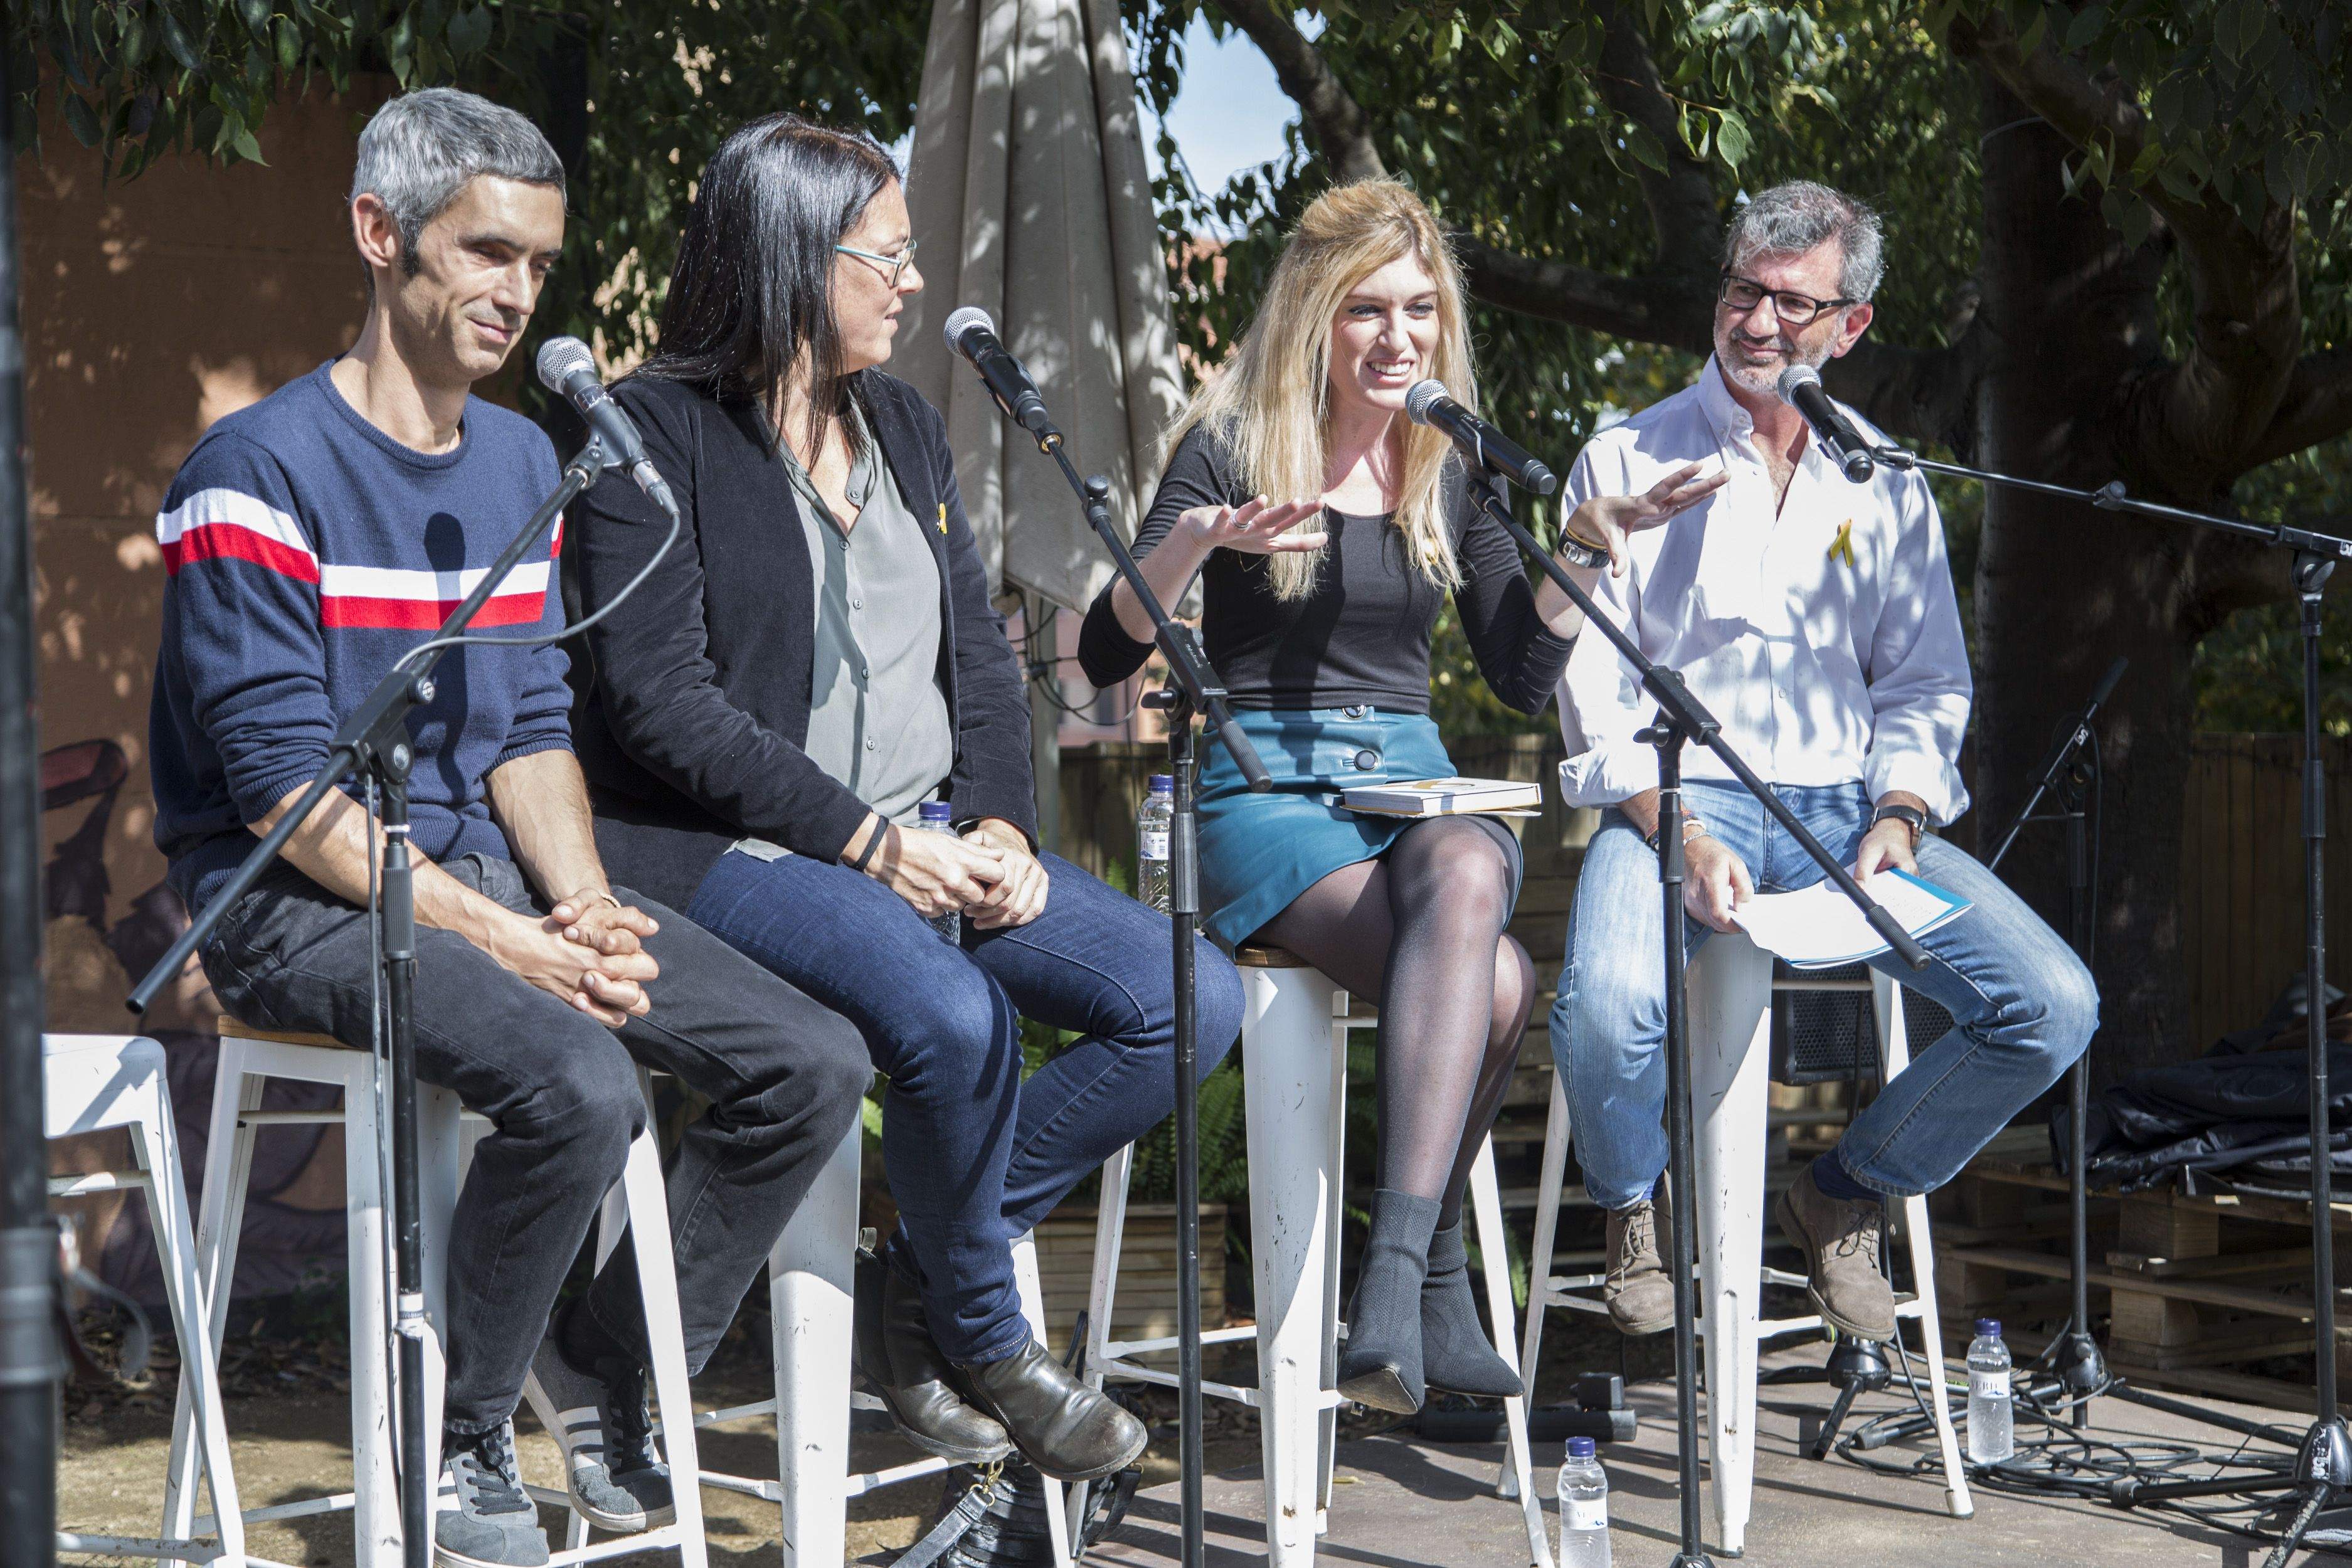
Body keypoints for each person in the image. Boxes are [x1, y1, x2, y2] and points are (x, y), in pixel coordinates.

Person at [147, 90, 873, 1568]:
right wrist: (524, 951)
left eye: (537, 263)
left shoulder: (523, 467)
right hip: (294, 897)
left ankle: (593, 1368)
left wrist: (588, 905)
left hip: (483, 873)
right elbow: (292, 797)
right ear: (378, 233)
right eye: (486, 252)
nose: (517, 292)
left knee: (813, 1061)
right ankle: (458, 1421)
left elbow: (535, 723)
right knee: (579, 1081)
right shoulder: (252, 477)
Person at [563, 114, 1240, 1483]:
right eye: (888, 256)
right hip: (723, 846)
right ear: (795, 256)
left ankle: (925, 1265)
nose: (913, 282)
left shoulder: (908, 425)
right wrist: (871, 843)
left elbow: (980, 656)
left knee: (1189, 998)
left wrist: (998, 822)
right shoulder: (653, 432)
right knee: (946, 1010)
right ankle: (982, 1334)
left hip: (925, 835)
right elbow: (661, 704)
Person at [1077, 178, 1724, 1415]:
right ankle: (1422, 1280)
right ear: (1315, 313)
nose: (1399, 338)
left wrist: (1586, 546)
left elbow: (1522, 672)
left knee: (1474, 867)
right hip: (1263, 779)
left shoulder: (1449, 454)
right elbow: (1110, 654)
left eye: (1420, 311)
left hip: (1410, 771)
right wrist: (1193, 543)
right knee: (1500, 982)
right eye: (1369, 310)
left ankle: (1396, 1282)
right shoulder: (1227, 440)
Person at [1550, 180, 2098, 1343]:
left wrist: (1899, 815)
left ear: (1847, 326)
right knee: (1604, 1007)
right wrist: (1678, 828)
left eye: (1791, 305)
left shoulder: (1884, 478)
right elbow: (1592, 693)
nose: (1757, 322)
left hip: (1846, 814)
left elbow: (1923, 683)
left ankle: (1844, 1194)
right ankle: (1630, 1204)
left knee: (2050, 1006)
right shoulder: (1620, 457)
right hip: (1681, 798)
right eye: (1742, 290)